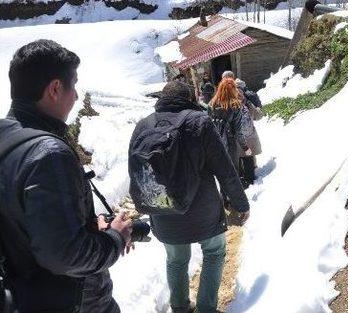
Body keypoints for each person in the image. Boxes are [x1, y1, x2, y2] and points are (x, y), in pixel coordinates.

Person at [0, 40, 133, 312]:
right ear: (55, 89)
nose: (75, 96)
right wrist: (115, 238)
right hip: (73, 300)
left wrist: (85, 223)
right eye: (73, 85)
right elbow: (64, 255)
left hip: (24, 294)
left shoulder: (7, 139)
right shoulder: (48, 153)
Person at [131, 81, 249, 313]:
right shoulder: (199, 122)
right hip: (202, 208)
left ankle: (180, 307)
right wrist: (240, 203)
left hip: (162, 208)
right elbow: (224, 168)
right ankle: (206, 308)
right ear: (190, 98)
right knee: (214, 252)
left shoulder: (143, 125)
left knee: (176, 260)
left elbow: (137, 172)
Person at [208, 79, 250, 178]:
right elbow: (238, 131)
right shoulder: (235, 106)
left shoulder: (211, 104)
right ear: (233, 90)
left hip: (215, 143)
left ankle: (223, 193)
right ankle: (237, 192)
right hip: (231, 144)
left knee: (221, 172)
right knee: (233, 172)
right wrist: (245, 147)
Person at [234, 79, 262, 187]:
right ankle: (251, 182)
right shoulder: (247, 103)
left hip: (237, 141)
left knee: (239, 161)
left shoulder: (229, 106)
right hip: (250, 139)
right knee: (249, 160)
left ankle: (242, 182)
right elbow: (258, 116)